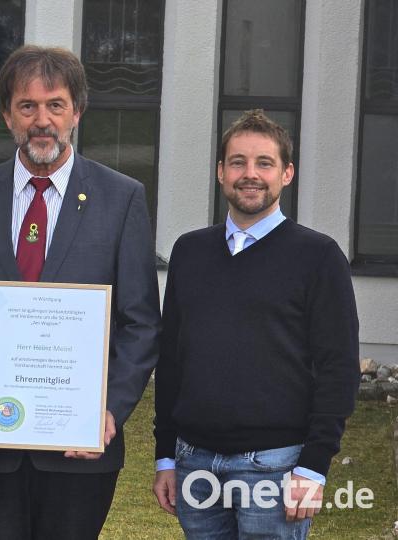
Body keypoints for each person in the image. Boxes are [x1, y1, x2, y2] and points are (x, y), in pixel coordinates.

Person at [0, 45, 161, 539]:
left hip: (82, 448)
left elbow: (140, 322)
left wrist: (110, 409)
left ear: (77, 111)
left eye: (55, 105)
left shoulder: (121, 199)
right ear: (7, 115)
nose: (42, 120)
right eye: (27, 106)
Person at [152, 109, 360, 538]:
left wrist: (314, 467)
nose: (250, 174)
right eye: (238, 162)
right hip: (194, 464)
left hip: (276, 467)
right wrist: (166, 456)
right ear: (220, 172)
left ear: (287, 173)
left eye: (264, 163)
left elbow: (338, 368)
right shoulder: (189, 253)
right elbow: (171, 360)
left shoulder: (319, 257)